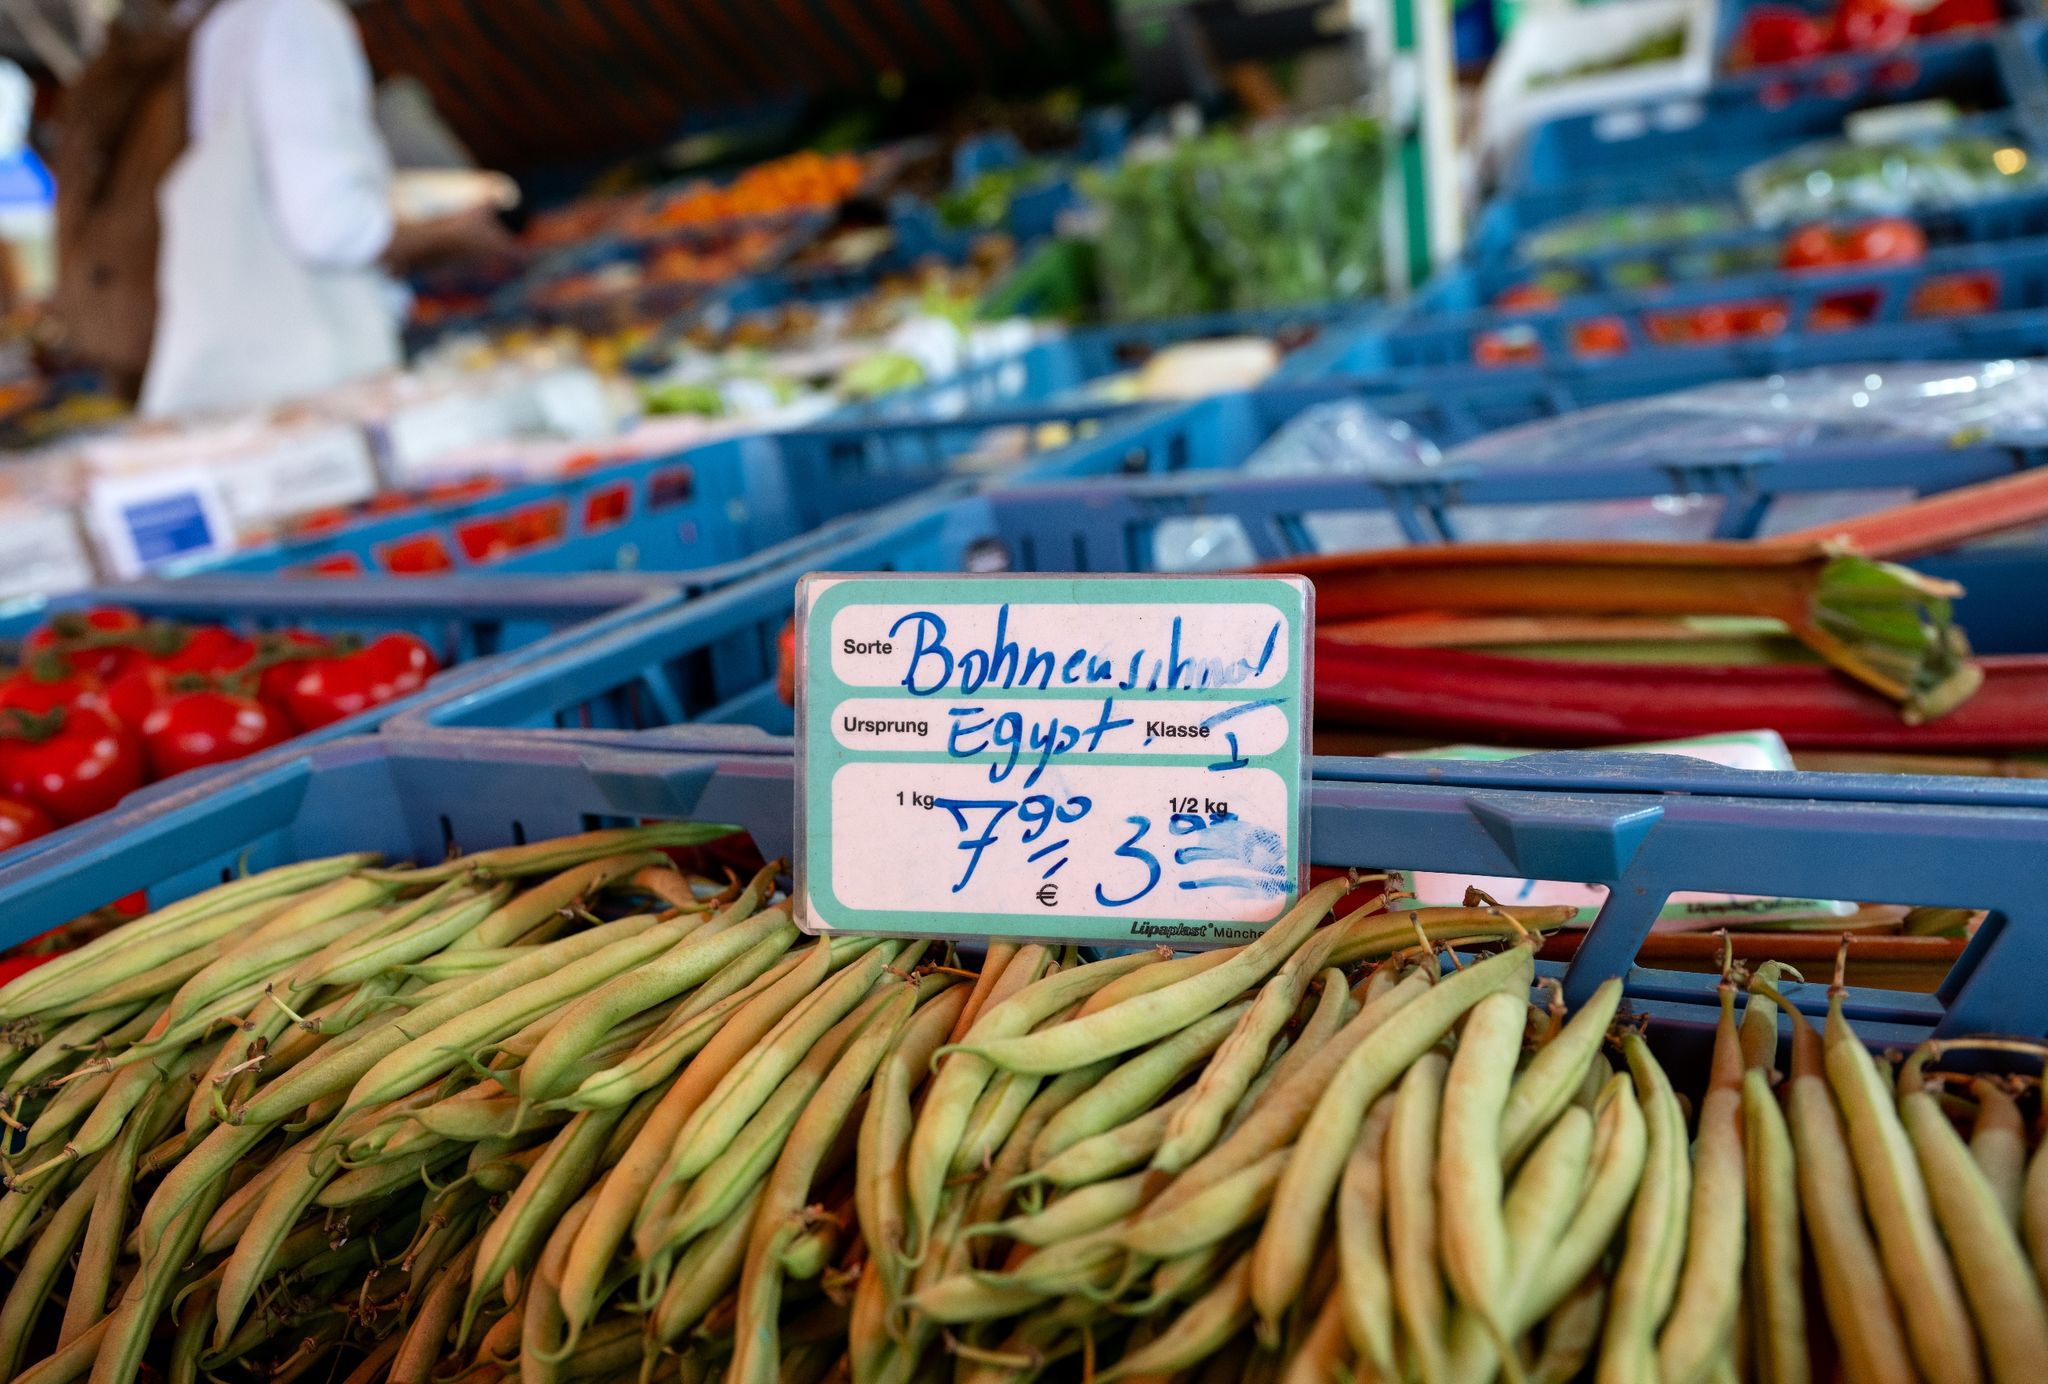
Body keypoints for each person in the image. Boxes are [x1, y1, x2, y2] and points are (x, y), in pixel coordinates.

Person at [139, 0, 512, 417]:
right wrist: (449, 234)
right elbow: (329, 228)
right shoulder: (296, 17)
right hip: (320, 382)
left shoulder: (223, 23)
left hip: (259, 379)